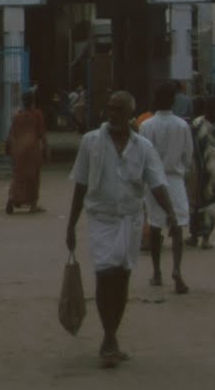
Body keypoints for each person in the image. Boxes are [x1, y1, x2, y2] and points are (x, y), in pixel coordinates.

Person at [66, 89, 179, 369]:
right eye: (110, 108)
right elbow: (80, 186)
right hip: (101, 220)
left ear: (131, 114)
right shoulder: (90, 142)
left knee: (123, 279)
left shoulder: (143, 147)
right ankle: (108, 337)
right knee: (106, 276)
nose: (114, 114)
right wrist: (70, 225)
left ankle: (111, 335)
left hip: (130, 220)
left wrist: (173, 216)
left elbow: (157, 184)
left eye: (120, 109)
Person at [139, 82, 192, 294]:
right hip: (176, 180)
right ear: (173, 101)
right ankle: (177, 269)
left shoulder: (147, 125)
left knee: (155, 226)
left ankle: (157, 272)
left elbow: (142, 157)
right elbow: (188, 157)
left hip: (154, 182)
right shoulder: (182, 125)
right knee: (177, 227)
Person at [187, 95, 215, 249]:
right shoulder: (199, 123)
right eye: (210, 108)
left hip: (213, 167)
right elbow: (194, 145)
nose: (213, 111)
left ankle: (204, 238)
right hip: (200, 167)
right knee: (197, 203)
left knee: (207, 204)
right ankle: (195, 237)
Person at [4, 88, 48, 213]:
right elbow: (41, 134)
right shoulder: (37, 114)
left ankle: (12, 198)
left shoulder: (17, 116)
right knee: (34, 178)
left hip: (19, 151)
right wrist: (46, 149)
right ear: (33, 101)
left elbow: (11, 134)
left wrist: (10, 150)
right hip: (32, 150)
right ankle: (33, 205)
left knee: (18, 176)